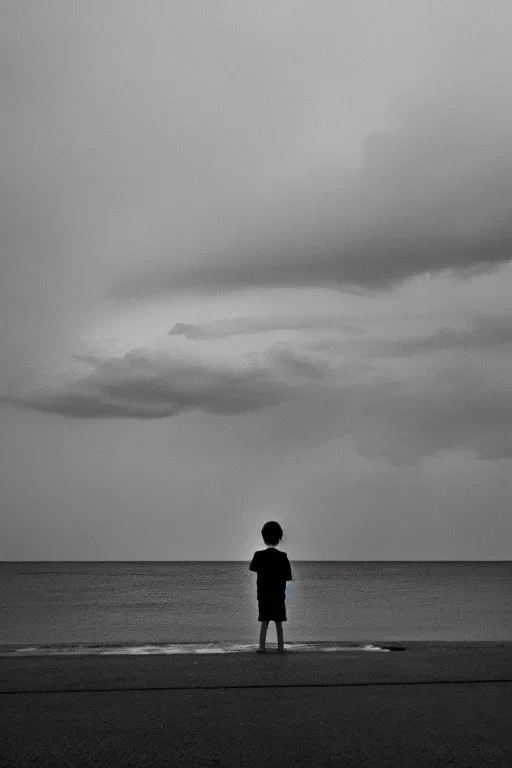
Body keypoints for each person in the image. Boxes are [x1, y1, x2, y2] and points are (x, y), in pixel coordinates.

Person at [249, 521, 293, 653]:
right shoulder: (283, 557)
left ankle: (262, 647)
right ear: (279, 538)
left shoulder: (258, 555)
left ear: (264, 537)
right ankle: (280, 647)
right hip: (278, 595)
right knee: (279, 623)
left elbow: (253, 568)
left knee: (264, 622)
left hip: (263, 595)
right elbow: (288, 577)